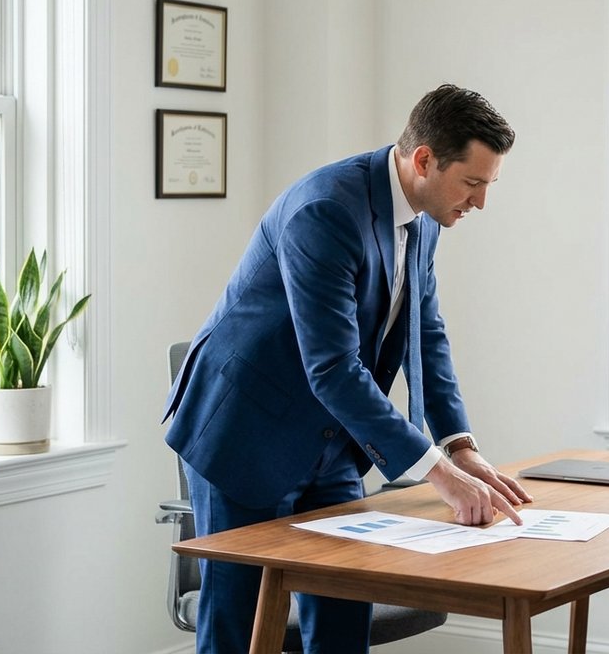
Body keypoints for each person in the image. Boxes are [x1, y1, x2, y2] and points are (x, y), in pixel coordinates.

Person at [161, 84, 532, 653]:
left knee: (342, 620)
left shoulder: (428, 216)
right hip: (245, 435)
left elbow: (425, 335)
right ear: (424, 160)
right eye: (472, 183)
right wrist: (437, 472)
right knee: (239, 626)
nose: (480, 202)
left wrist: (460, 446)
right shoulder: (327, 209)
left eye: (489, 184)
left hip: (333, 440)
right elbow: (333, 368)